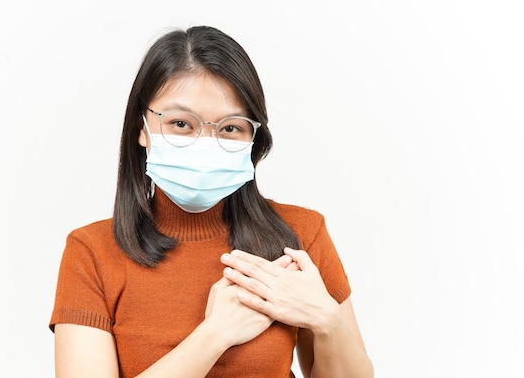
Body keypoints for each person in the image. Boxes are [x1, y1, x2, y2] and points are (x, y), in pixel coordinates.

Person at [49, 25, 374, 378]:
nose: (204, 142)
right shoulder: (92, 253)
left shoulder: (301, 235)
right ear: (141, 128)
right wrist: (215, 334)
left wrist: (326, 319)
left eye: (230, 127)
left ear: (254, 138)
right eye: (181, 124)